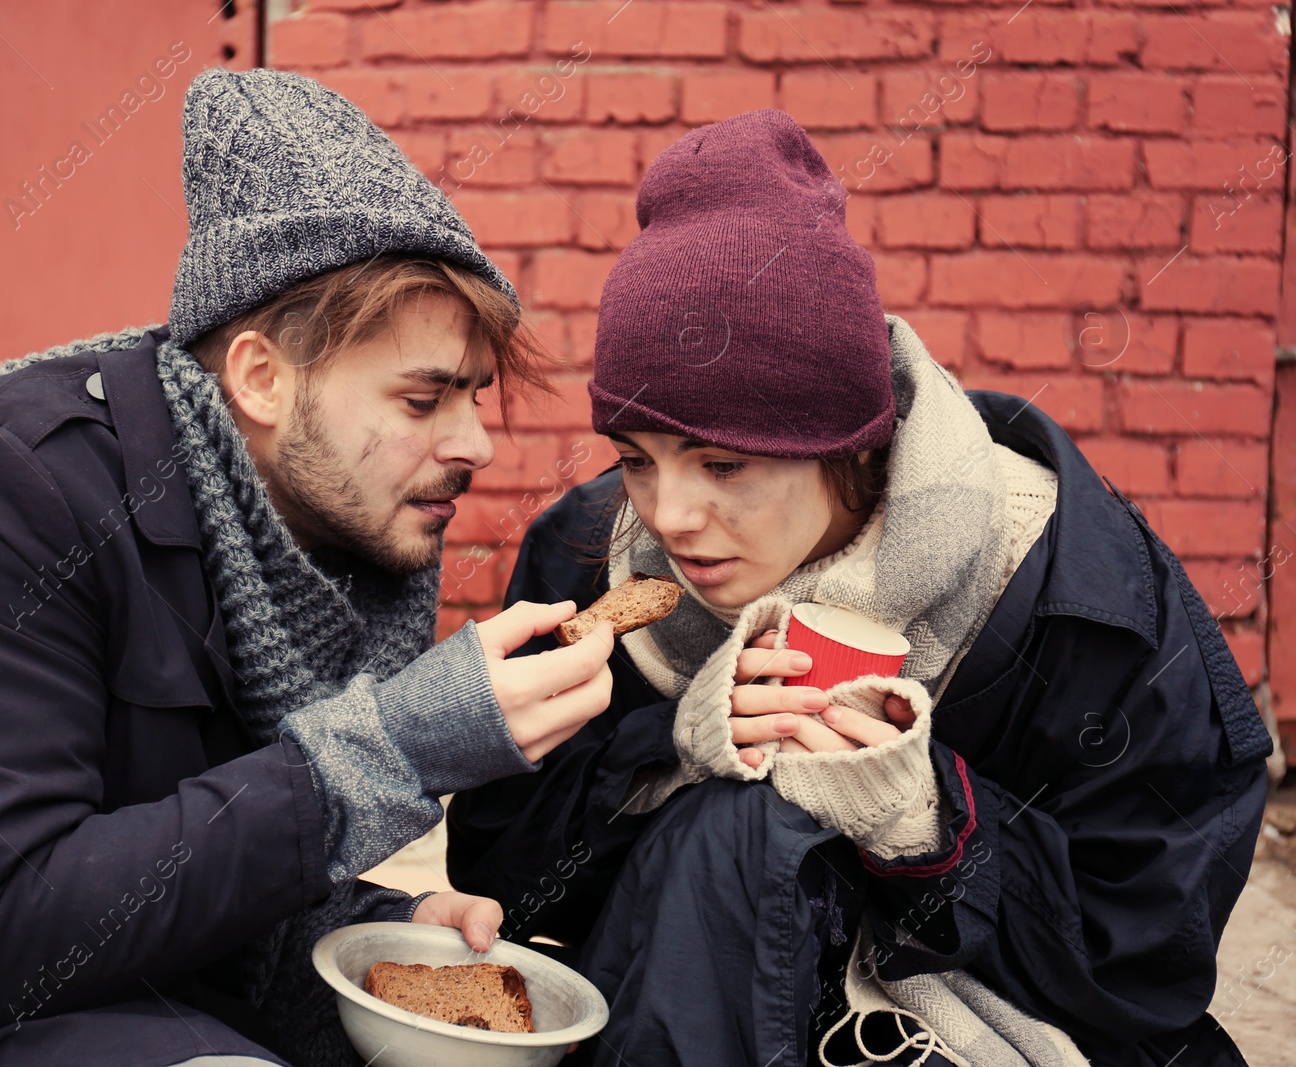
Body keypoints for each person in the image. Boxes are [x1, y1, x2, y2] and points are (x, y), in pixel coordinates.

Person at [0, 70, 616, 1067]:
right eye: (422, 399)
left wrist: (352, 918)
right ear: (260, 377)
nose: (477, 442)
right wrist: (391, 751)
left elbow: (153, 826)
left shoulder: (315, 536)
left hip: (69, 983)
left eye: (477, 395)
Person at [447, 110, 1269, 1067]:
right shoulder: (591, 561)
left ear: (847, 445)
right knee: (743, 826)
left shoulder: (1089, 600)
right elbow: (502, 882)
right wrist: (667, 754)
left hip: (983, 1030)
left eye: (722, 464)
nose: (667, 516)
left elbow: (1147, 970)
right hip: (698, 1011)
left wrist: (930, 825)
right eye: (637, 457)